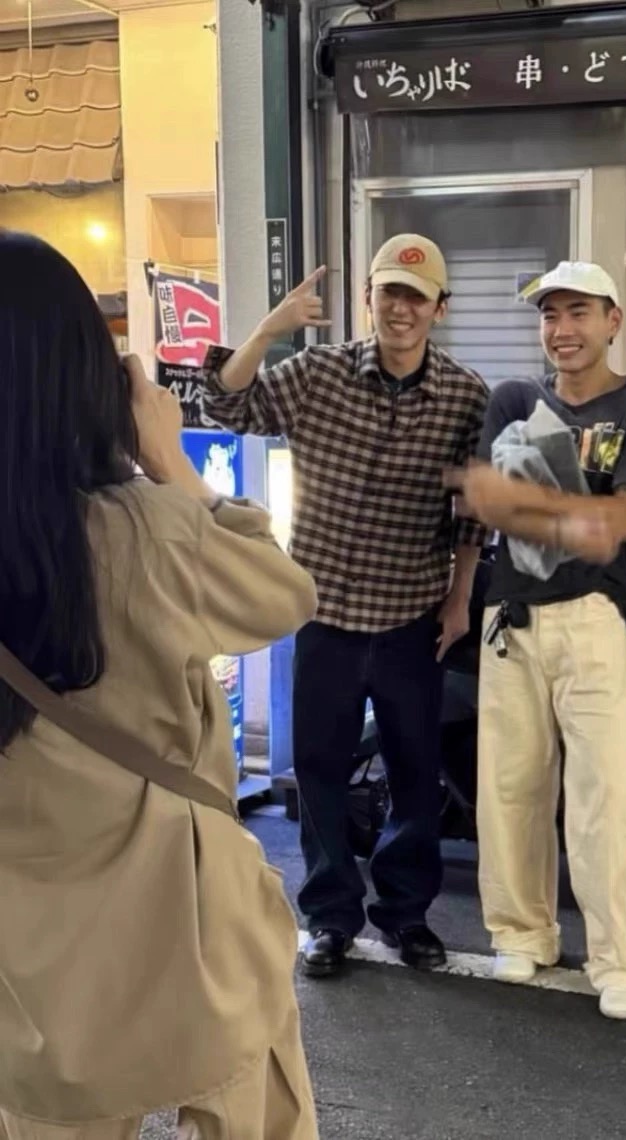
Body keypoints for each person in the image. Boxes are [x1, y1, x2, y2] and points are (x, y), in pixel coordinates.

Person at [0, 232, 319, 1138]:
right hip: (183, 912)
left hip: (28, 955)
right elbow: (283, 595)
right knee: (243, 1099)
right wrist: (169, 460)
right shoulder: (143, 528)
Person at [203, 234, 489, 977]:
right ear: (368, 298)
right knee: (321, 771)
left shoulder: (465, 395)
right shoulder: (318, 372)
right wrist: (271, 328)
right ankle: (331, 918)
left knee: (414, 771)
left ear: (439, 309)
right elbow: (227, 403)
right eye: (389, 292)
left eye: (416, 297)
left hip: (411, 615)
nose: (401, 309)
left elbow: (470, 512)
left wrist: (460, 597)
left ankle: (406, 915)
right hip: (322, 611)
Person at [448, 261, 626, 1020]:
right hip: (510, 617)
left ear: (613, 320)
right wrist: (575, 517)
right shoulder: (515, 399)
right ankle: (522, 932)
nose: (562, 329)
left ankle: (622, 961)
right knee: (510, 788)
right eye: (550, 315)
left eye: (578, 312)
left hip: (595, 617)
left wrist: (524, 502)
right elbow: (491, 510)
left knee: (605, 795)